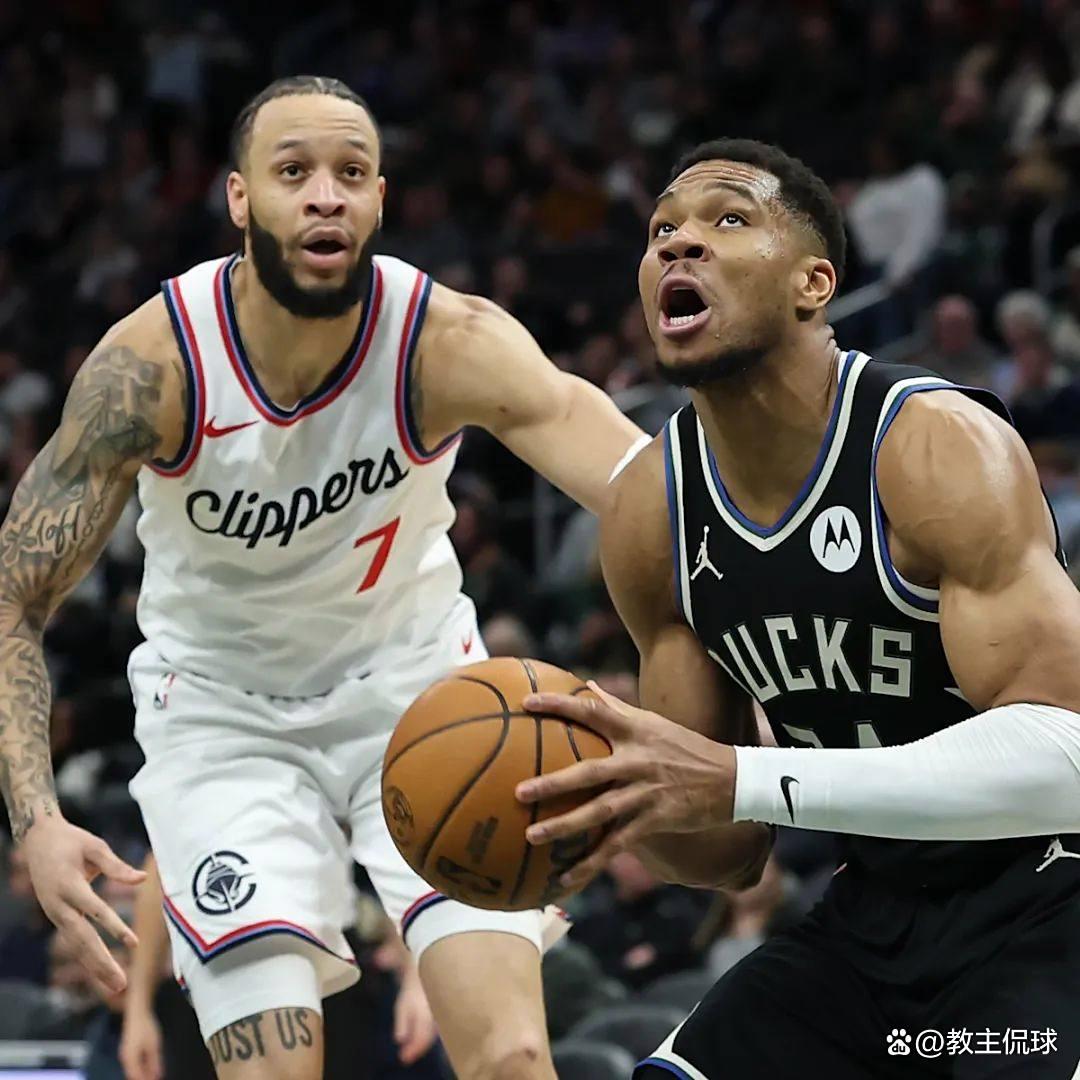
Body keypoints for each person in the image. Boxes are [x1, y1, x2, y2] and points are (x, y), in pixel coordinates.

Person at [0, 75, 644, 1080]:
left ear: (380, 199)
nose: (325, 195)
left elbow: (648, 494)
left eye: (351, 172)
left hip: (421, 693)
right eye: (293, 171)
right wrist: (36, 823)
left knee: (515, 1054)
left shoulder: (445, 342)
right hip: (223, 717)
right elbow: (15, 597)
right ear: (239, 197)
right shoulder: (155, 366)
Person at [517, 138, 1080, 1077]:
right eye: (661, 231)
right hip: (872, 917)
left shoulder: (932, 445)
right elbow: (726, 850)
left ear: (813, 284)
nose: (678, 244)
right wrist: (610, 807)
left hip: (1052, 904)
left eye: (728, 219)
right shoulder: (651, 510)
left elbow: (1070, 758)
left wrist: (743, 776)